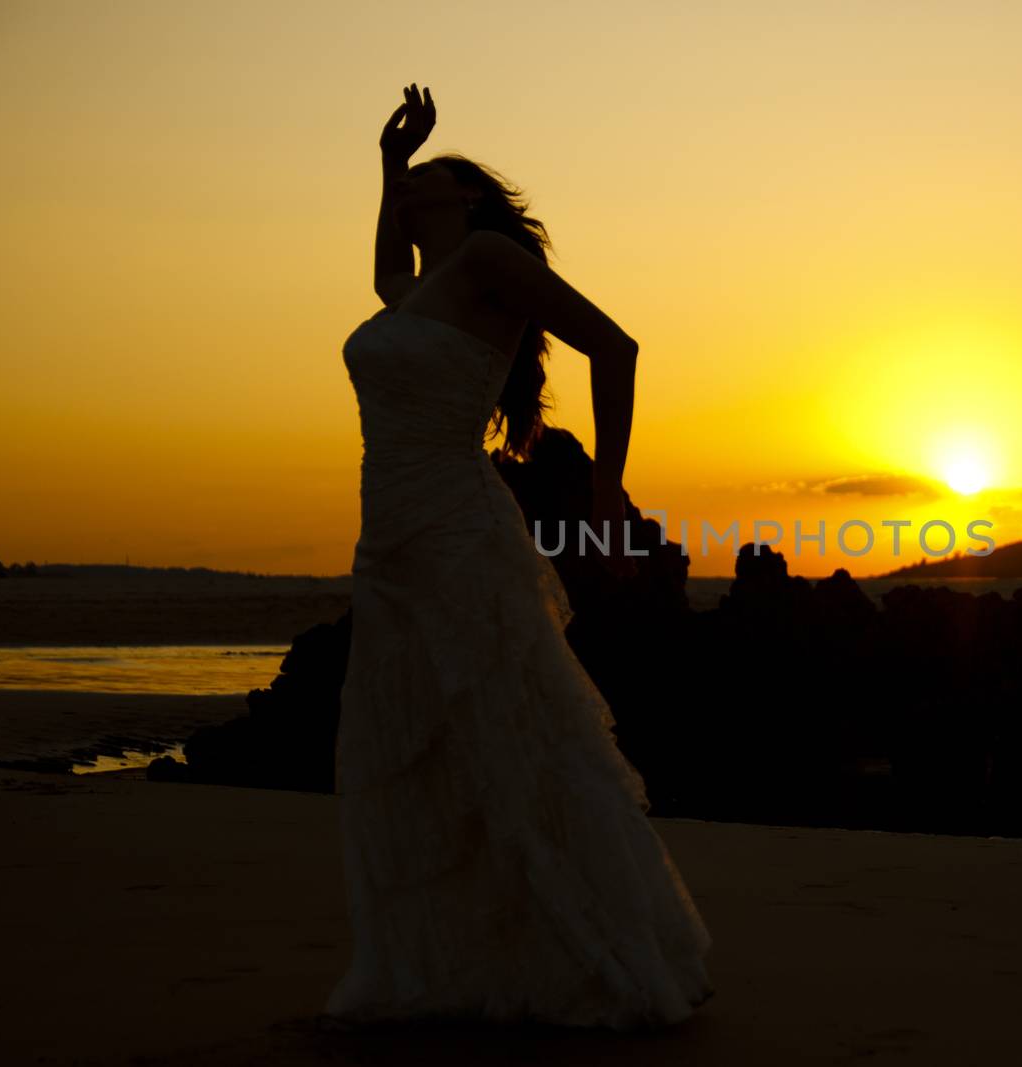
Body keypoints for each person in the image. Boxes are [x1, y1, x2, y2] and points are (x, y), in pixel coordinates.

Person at [325, 83, 715, 1031]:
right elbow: (383, 268)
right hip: (391, 544)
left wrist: (604, 491)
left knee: (510, 732)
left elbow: (614, 347)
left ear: (463, 204)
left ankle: (592, 949)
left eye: (429, 175)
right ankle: (473, 957)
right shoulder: (413, 290)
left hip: (459, 530)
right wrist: (384, 162)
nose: (413, 181)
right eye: (408, 180)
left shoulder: (490, 261)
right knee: (426, 745)